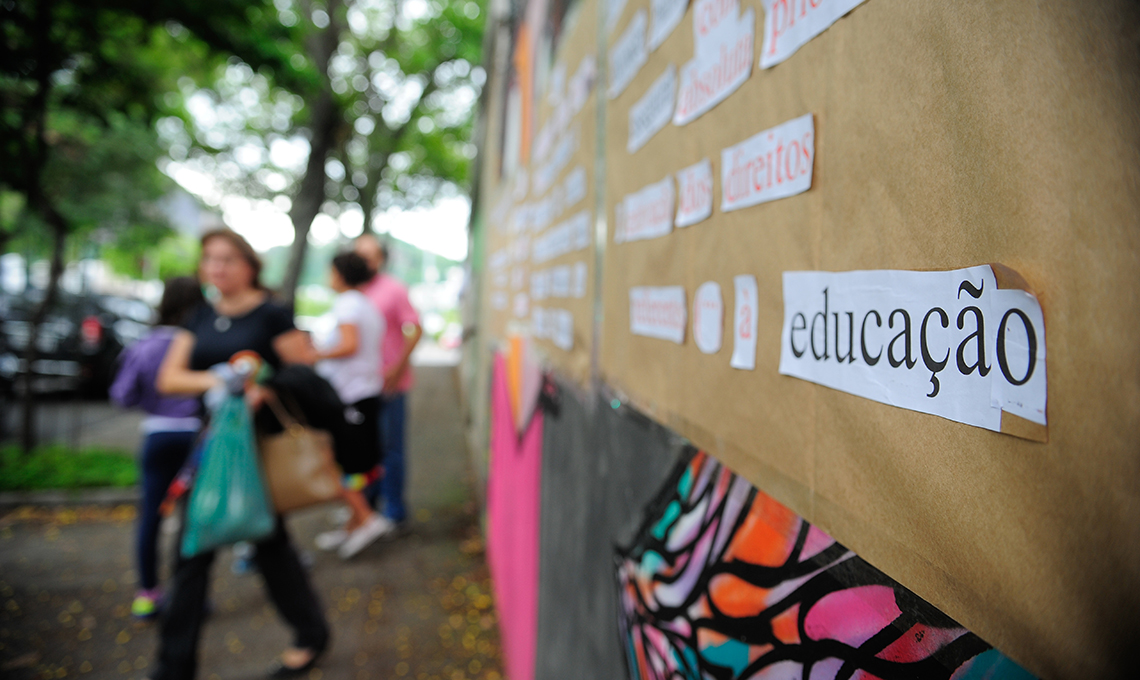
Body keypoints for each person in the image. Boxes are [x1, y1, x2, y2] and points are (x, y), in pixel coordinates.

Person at [151, 229, 329, 680]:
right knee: (191, 554)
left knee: (271, 548)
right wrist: (221, 382)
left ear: (249, 265)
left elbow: (305, 373)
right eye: (209, 258)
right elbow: (170, 378)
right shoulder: (199, 317)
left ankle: (311, 634)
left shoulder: (271, 315)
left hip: (261, 452)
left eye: (227, 259)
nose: (217, 267)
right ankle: (173, 667)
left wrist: (263, 390)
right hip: (212, 452)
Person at [109, 277, 206, 621]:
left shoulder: (144, 346)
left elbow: (121, 395)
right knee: (194, 519)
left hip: (159, 436)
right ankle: (191, 597)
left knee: (151, 516)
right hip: (197, 438)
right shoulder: (199, 344)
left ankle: (147, 594)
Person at [304, 252, 396, 558]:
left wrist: (313, 355)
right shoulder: (365, 303)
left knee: (343, 462)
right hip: (364, 390)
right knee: (356, 461)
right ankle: (354, 523)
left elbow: (349, 344)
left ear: (341, 274)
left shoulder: (348, 304)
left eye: (331, 272)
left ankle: (367, 520)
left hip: (350, 395)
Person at [354, 235, 422, 528]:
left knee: (391, 448)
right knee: (363, 449)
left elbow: (415, 328)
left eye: (369, 256)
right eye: (359, 256)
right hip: (360, 386)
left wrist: (398, 367)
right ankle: (366, 506)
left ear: (380, 259)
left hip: (389, 384)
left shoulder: (393, 289)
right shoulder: (353, 291)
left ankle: (394, 509)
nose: (364, 262)